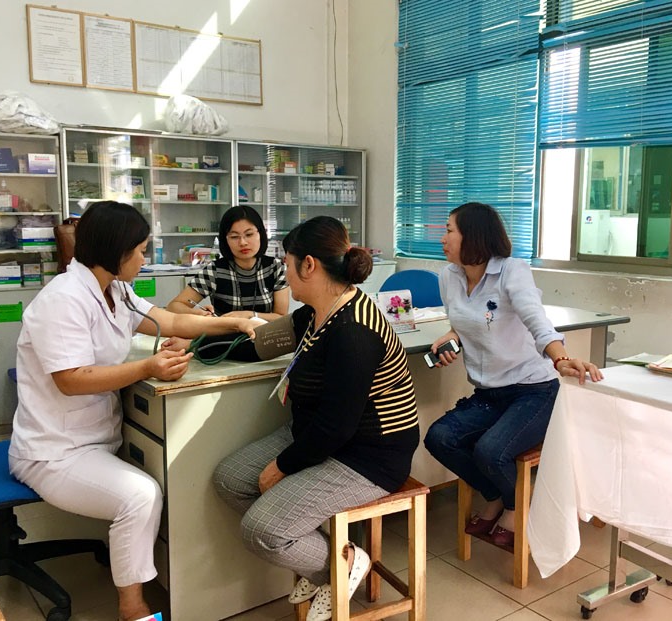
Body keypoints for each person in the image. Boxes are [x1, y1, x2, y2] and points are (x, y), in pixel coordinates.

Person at [7, 201, 257, 621]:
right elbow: (70, 379)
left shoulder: (115, 290)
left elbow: (170, 321)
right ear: (116, 251)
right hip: (53, 451)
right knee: (140, 495)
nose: (144, 259)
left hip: (94, 437)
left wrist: (233, 322)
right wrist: (147, 367)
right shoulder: (63, 300)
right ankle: (133, 609)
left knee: (149, 485)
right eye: (140, 251)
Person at [163, 216, 419, 621]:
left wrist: (282, 467)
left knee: (261, 530)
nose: (283, 271)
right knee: (230, 479)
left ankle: (339, 567)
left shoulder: (354, 332)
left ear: (309, 265)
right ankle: (332, 565)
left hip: (368, 455)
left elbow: (337, 426)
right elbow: (261, 344)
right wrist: (195, 344)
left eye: (287, 262)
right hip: (318, 435)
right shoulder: (315, 313)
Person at [423, 202, 603, 548]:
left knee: (490, 452)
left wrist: (560, 358)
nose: (442, 238)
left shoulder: (512, 271)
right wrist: (452, 335)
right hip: (488, 394)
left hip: (533, 391)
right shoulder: (449, 277)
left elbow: (535, 319)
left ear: (473, 236)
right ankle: (498, 496)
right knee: (439, 438)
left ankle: (518, 505)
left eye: (449, 230)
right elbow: (470, 319)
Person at [166, 205, 289, 320]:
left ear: (261, 234)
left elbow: (281, 317)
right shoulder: (215, 270)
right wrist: (199, 314)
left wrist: (250, 315)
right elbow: (174, 306)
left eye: (249, 234)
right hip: (225, 334)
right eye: (234, 237)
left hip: (264, 334)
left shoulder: (275, 267)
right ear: (225, 240)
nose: (243, 242)